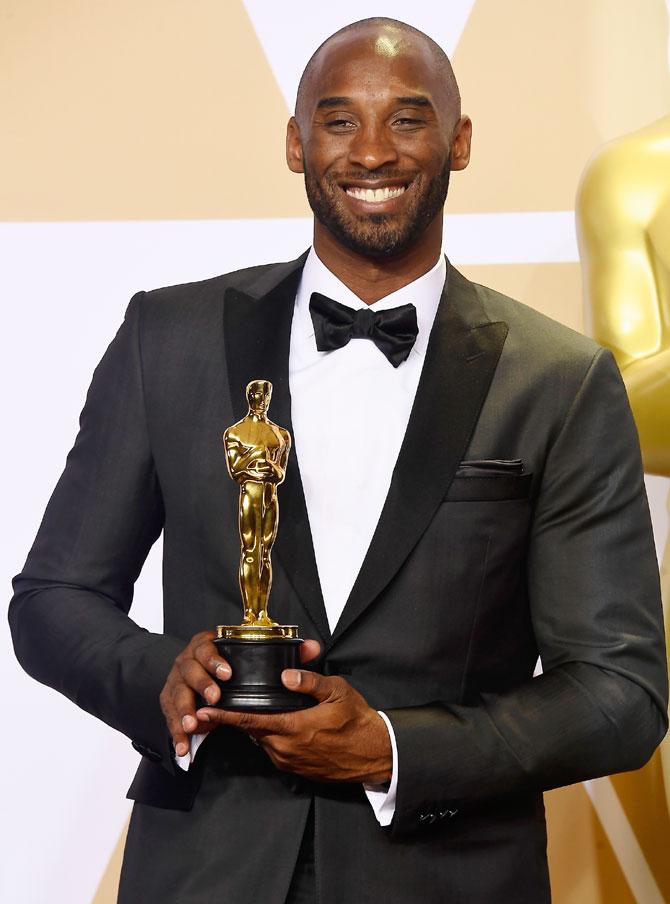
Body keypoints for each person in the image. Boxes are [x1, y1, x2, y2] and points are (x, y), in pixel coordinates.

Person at [9, 17, 667, 904]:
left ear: (459, 141)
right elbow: (54, 599)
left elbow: (620, 693)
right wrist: (158, 677)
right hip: (208, 871)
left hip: (450, 877)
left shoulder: (560, 382)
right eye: (337, 120)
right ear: (295, 142)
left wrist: (396, 747)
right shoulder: (167, 341)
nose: (372, 153)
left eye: (407, 119)